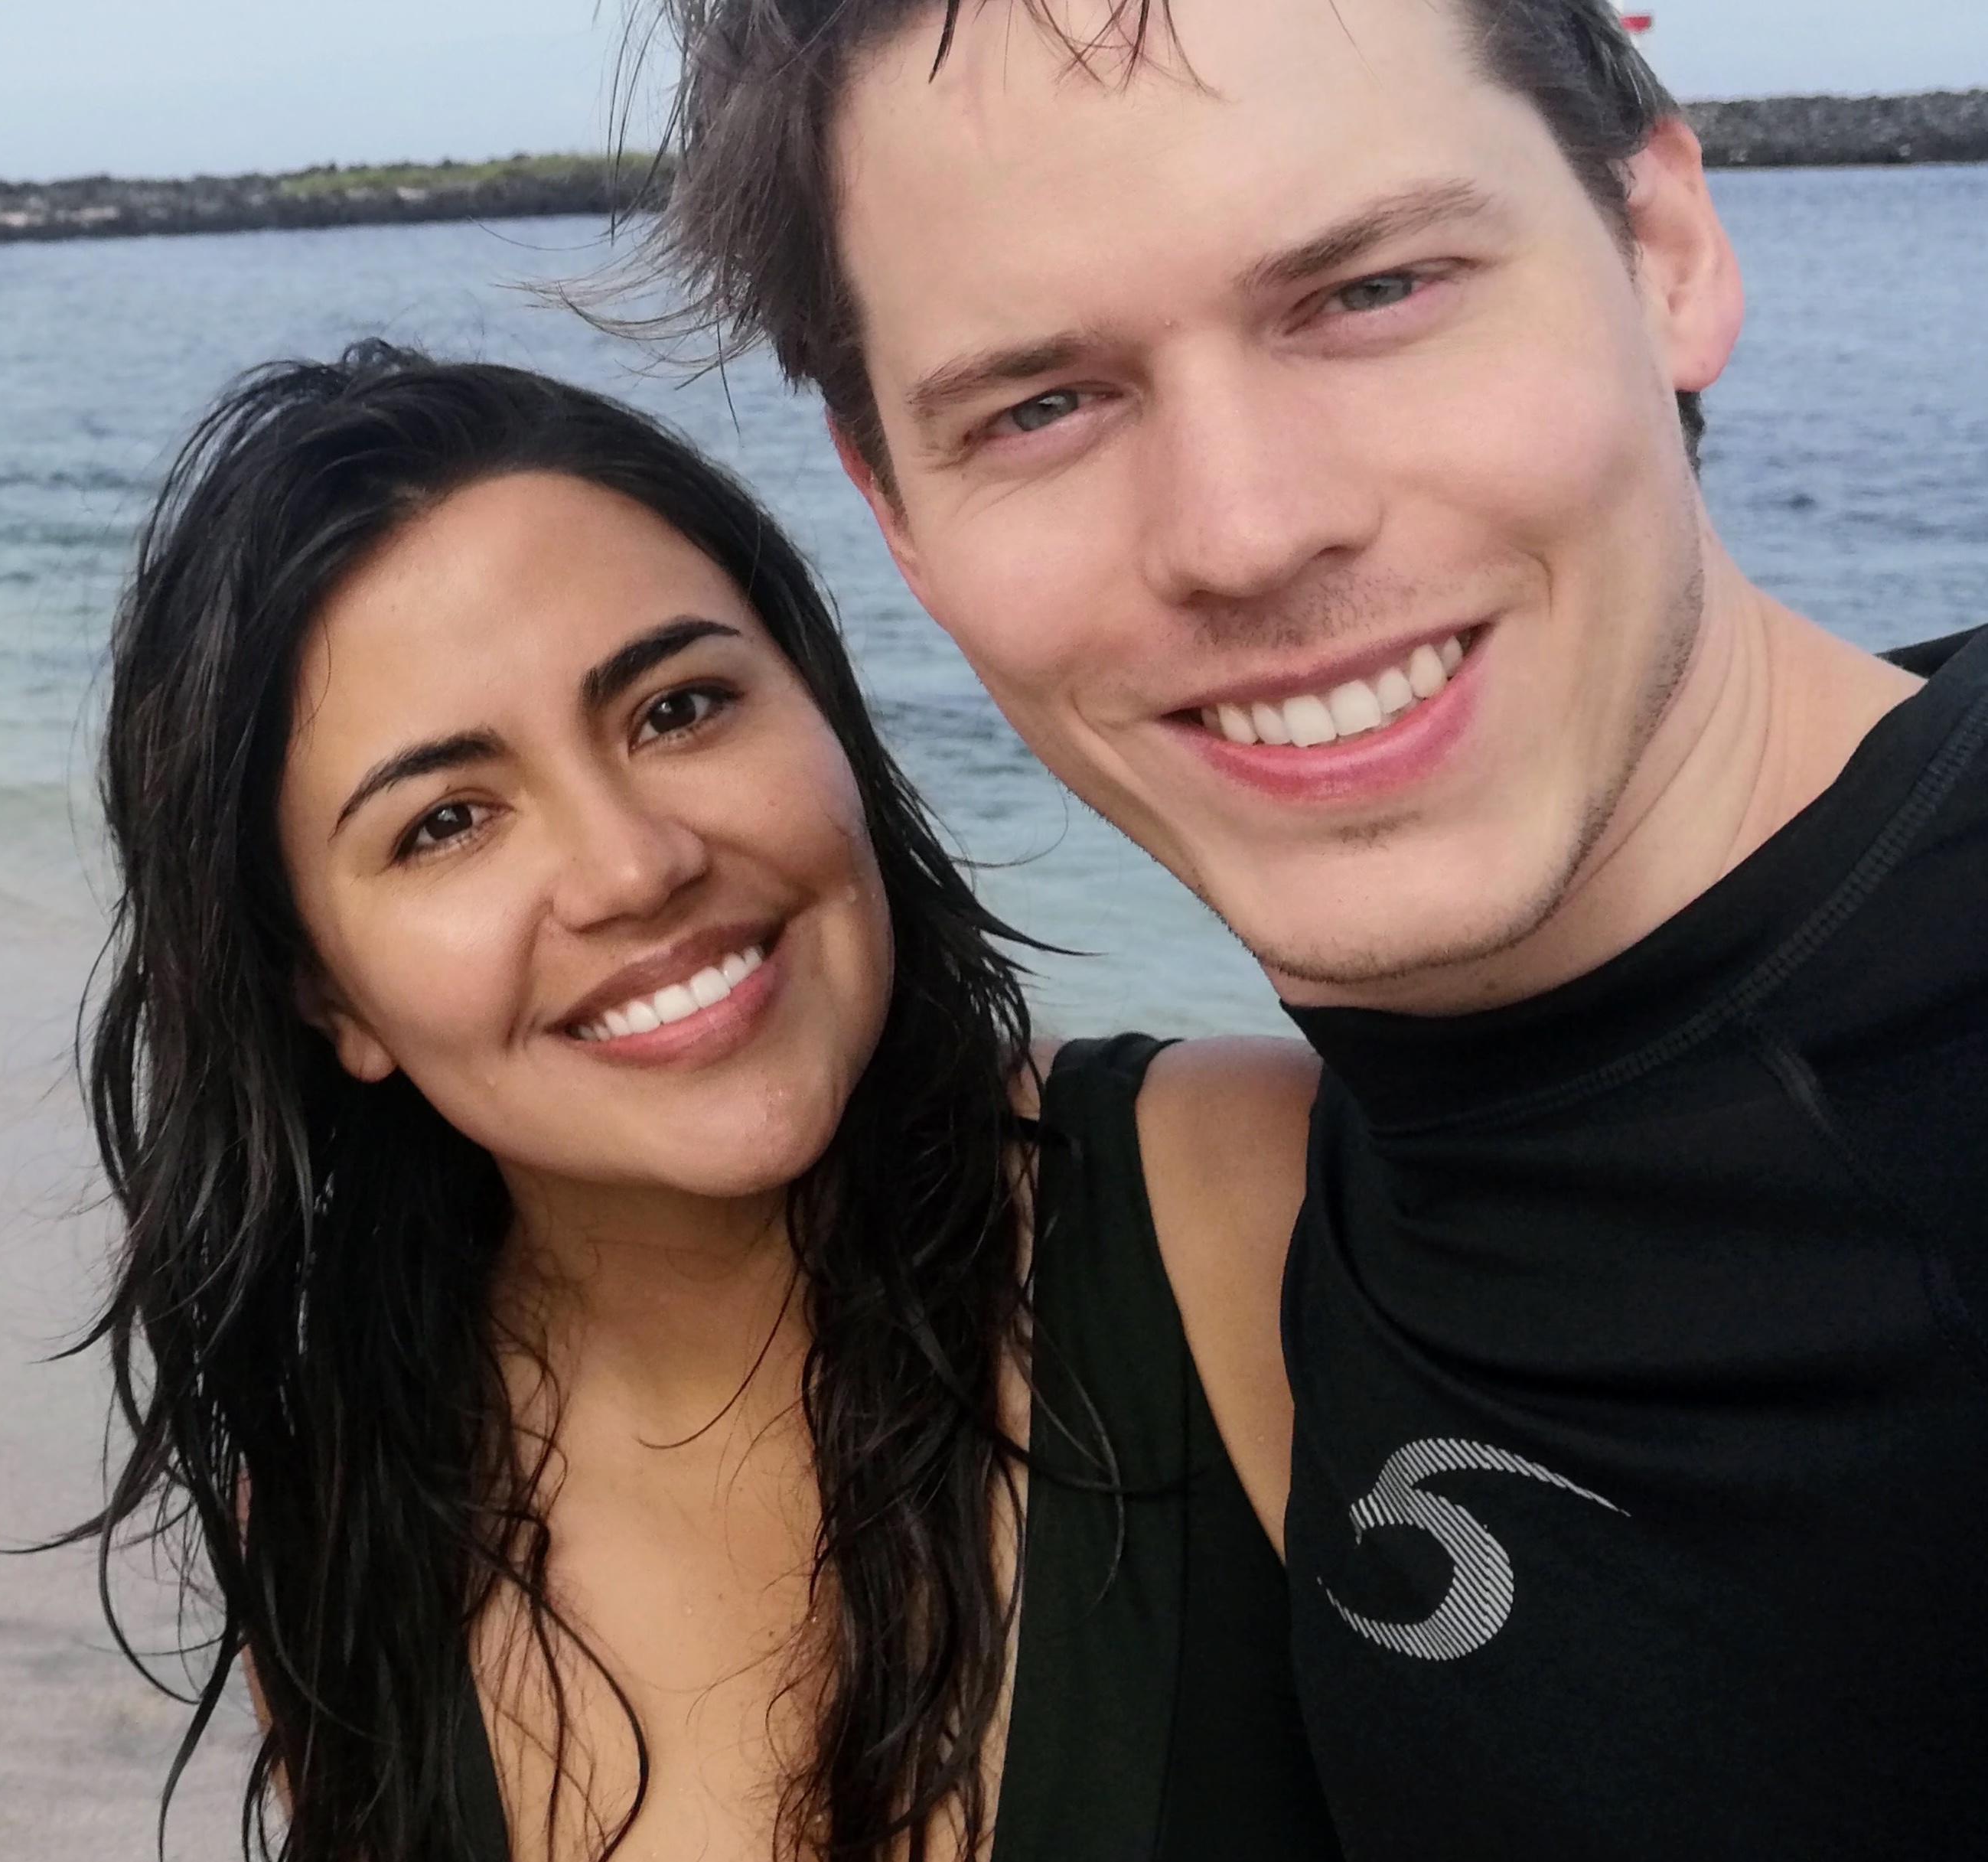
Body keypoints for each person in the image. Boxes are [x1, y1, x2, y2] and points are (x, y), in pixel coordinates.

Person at [619, 0, 1988, 1853]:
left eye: (1371, 292)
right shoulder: (1296, 1207)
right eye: (1038, 405)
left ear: (1661, 249)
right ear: (897, 518)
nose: (1247, 528)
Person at [67, 343, 1335, 1862]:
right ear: (327, 995)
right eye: (446, 821)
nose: (630, 865)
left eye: (674, 708)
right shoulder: (347, 1515)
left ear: (824, 709)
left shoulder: (1241, 1208)